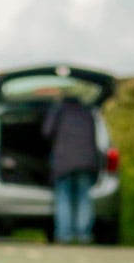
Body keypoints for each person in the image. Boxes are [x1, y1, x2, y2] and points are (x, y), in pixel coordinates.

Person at [42, 90, 100, 244]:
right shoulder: (88, 112)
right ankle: (84, 235)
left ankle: (64, 234)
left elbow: (46, 131)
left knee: (64, 197)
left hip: (64, 162)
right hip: (87, 162)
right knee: (84, 198)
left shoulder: (58, 110)